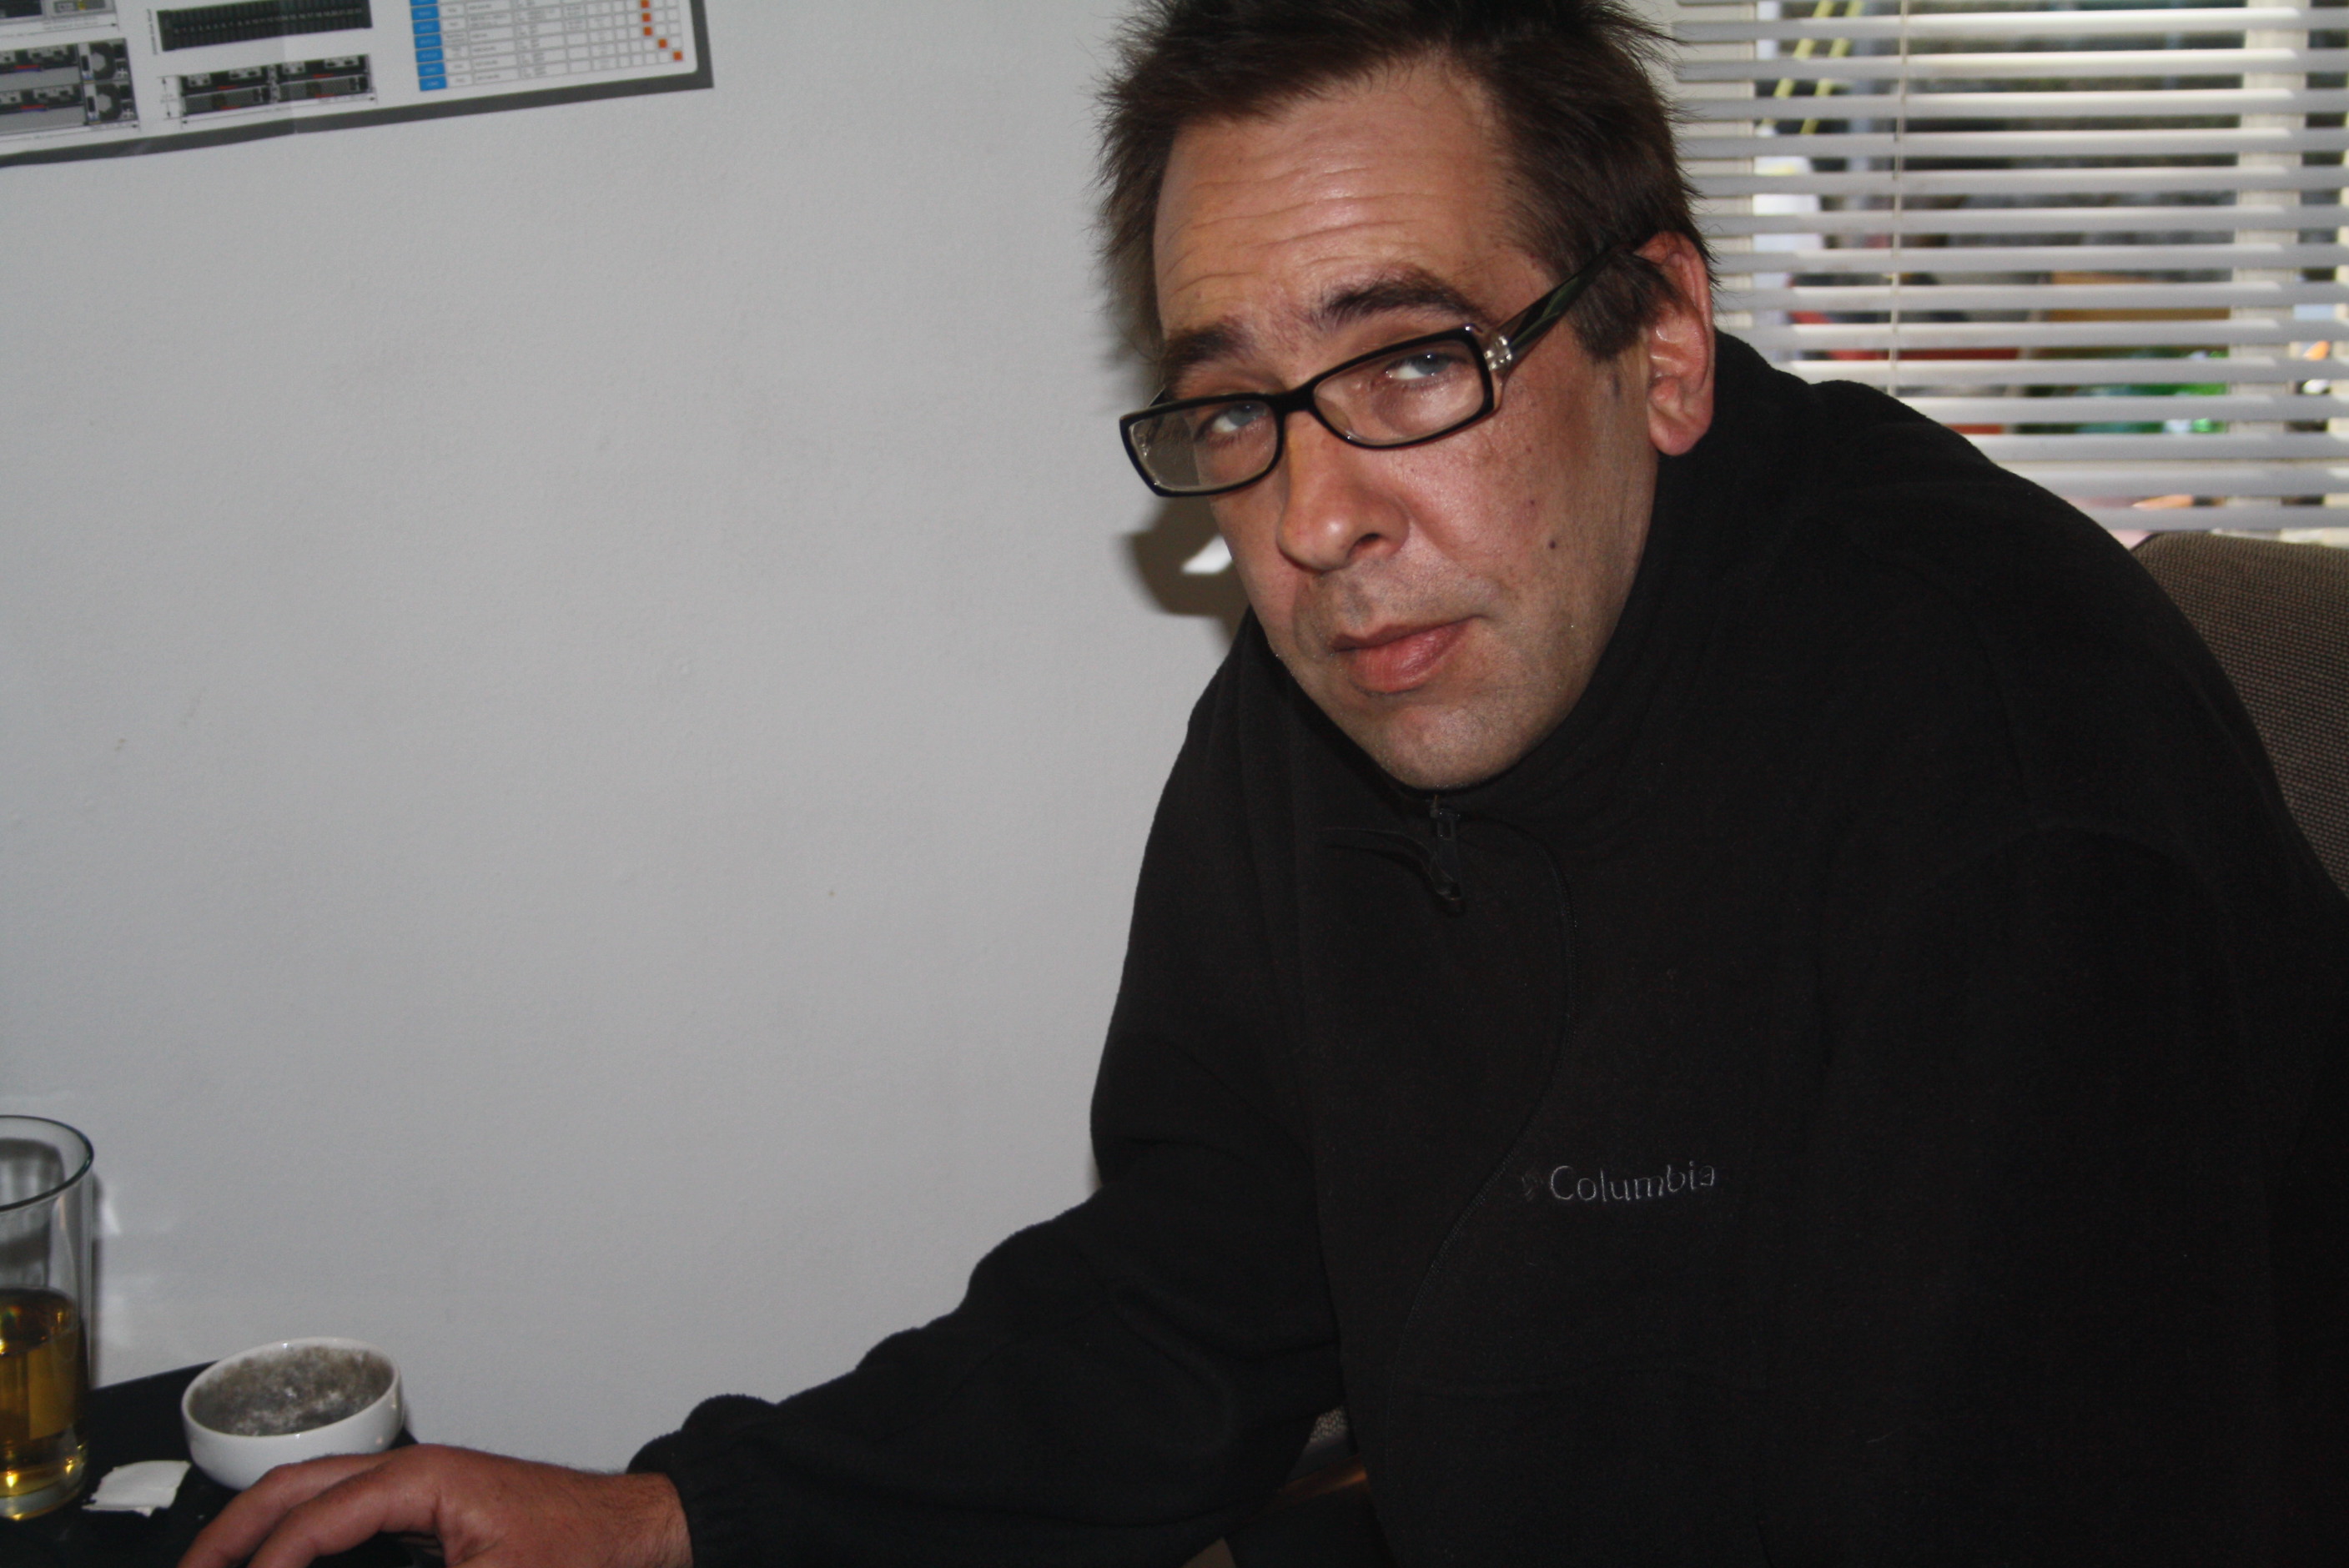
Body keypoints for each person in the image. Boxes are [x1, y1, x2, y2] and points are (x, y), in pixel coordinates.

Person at [187, 2, 2349, 1565]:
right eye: (1239, 407)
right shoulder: (1369, 661)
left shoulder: (2011, 798)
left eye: (1410, 361)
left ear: (1661, 344)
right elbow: (1206, 1279)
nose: (1310, 519)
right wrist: (682, 1517)